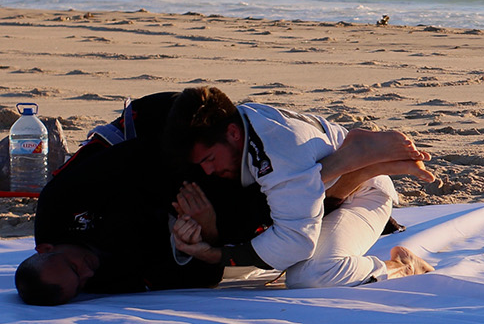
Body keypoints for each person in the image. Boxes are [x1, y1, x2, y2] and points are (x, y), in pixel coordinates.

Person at [163, 87, 435, 288]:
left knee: (311, 275)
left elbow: (296, 242)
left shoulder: (278, 153)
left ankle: (402, 265)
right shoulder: (236, 126)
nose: (208, 171)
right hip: (311, 190)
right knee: (247, 259)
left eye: (210, 159)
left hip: (365, 195)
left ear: (233, 134)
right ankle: (347, 164)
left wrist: (214, 253)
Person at [16, 92, 270, 305]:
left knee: (208, 149)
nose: (88, 272)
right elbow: (195, 278)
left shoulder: (59, 203)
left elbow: (140, 156)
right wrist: (207, 231)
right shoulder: (104, 280)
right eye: (81, 283)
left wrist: (182, 200)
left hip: (160, 141)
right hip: (182, 214)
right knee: (245, 227)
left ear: (46, 249)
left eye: (74, 267)